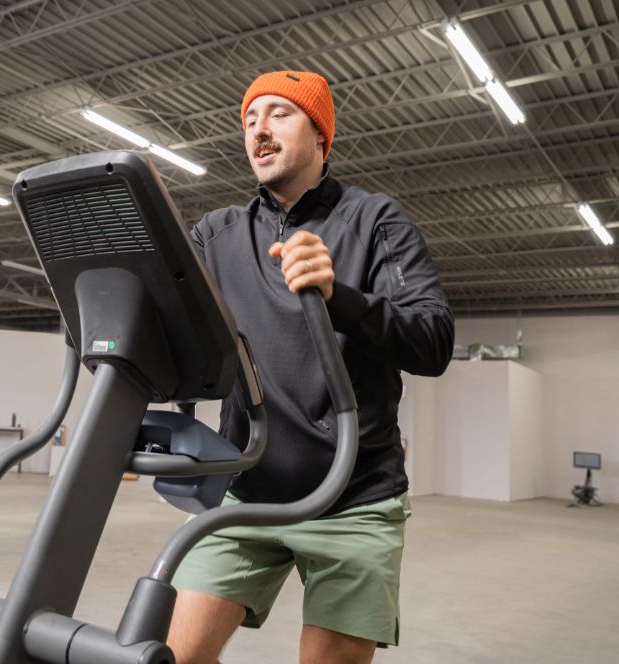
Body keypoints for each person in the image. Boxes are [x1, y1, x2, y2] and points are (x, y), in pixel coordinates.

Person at [168, 70, 454, 664]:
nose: (259, 131)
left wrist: (341, 296)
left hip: (354, 497)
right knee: (179, 654)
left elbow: (433, 341)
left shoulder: (375, 221)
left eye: (279, 114)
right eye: (250, 120)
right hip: (247, 492)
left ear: (321, 134)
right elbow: (169, 324)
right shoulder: (218, 234)